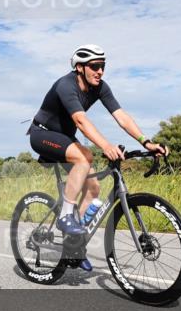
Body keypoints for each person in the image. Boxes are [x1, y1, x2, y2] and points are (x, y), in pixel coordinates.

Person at [28, 44, 168, 270]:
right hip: (42, 134)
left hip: (65, 138)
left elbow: (121, 116)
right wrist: (105, 145)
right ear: (80, 68)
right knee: (84, 158)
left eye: (103, 66)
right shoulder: (66, 85)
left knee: (93, 190)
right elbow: (81, 122)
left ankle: (73, 245)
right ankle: (65, 216)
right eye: (95, 66)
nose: (100, 71)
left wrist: (146, 141)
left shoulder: (100, 87)